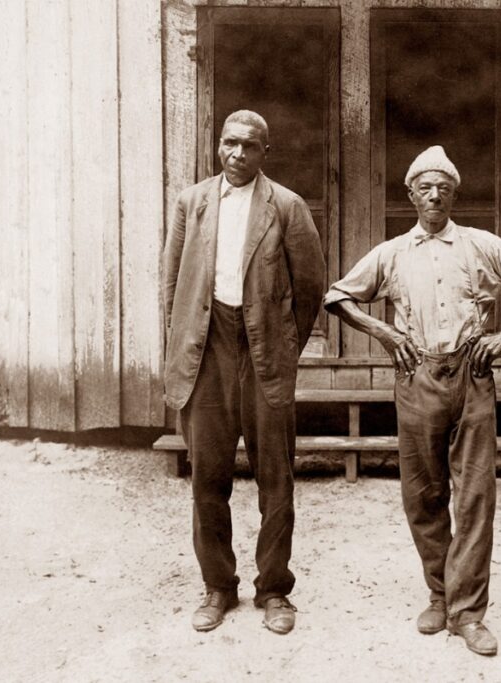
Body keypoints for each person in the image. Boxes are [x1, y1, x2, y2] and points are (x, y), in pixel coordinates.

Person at [324, 146, 501, 656]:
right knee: (424, 494)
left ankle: (469, 613)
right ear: (410, 195)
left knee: (475, 496)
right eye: (425, 189)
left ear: (455, 195)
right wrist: (383, 331)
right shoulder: (392, 253)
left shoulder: (478, 245)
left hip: (472, 376)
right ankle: (439, 594)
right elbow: (337, 296)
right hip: (418, 377)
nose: (434, 197)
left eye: (443, 189)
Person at [162, 109, 326, 634]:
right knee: (207, 478)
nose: (236, 155)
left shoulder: (287, 206)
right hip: (207, 351)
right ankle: (217, 587)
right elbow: (173, 287)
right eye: (229, 144)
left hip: (264, 355)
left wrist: (282, 345)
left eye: (248, 147)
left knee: (275, 479)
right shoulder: (192, 203)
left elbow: (311, 288)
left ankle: (275, 589)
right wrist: (188, 339)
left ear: (264, 153)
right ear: (219, 145)